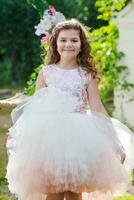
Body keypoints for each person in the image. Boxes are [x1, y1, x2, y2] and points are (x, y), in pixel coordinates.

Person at [6, 19, 134, 200]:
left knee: (75, 191)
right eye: (63, 40)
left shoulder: (86, 74)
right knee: (53, 192)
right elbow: (36, 106)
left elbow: (97, 107)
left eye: (74, 40)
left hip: (80, 137)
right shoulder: (46, 72)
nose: (68, 44)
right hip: (49, 138)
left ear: (81, 44)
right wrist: (19, 131)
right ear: (55, 44)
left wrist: (112, 138)